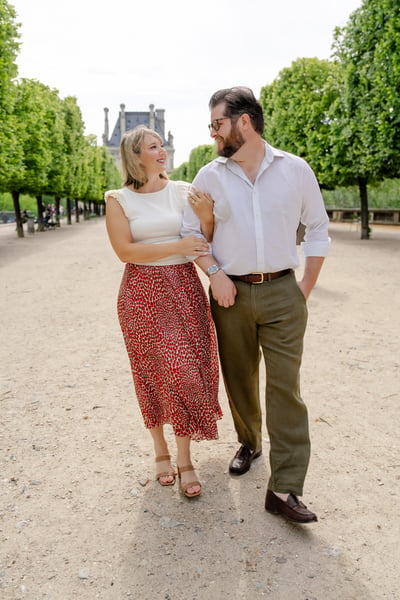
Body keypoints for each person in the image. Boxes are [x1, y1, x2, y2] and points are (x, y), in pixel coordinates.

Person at [182, 87, 330, 522]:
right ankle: (249, 440)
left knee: (286, 388)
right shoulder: (208, 177)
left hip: (285, 291)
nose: (213, 134)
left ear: (243, 123)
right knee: (240, 378)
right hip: (231, 294)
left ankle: (284, 488)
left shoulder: (295, 170)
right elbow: (194, 236)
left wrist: (304, 285)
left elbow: (318, 227)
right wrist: (215, 273)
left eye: (217, 124)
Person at [105, 126, 222, 499]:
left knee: (186, 371)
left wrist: (207, 219)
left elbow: (206, 238)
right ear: (134, 157)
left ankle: (185, 458)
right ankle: (161, 450)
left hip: (184, 287)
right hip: (141, 292)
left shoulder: (185, 191)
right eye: (153, 147)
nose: (162, 151)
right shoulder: (117, 199)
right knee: (153, 373)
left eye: (162, 145)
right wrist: (176, 245)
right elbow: (125, 252)